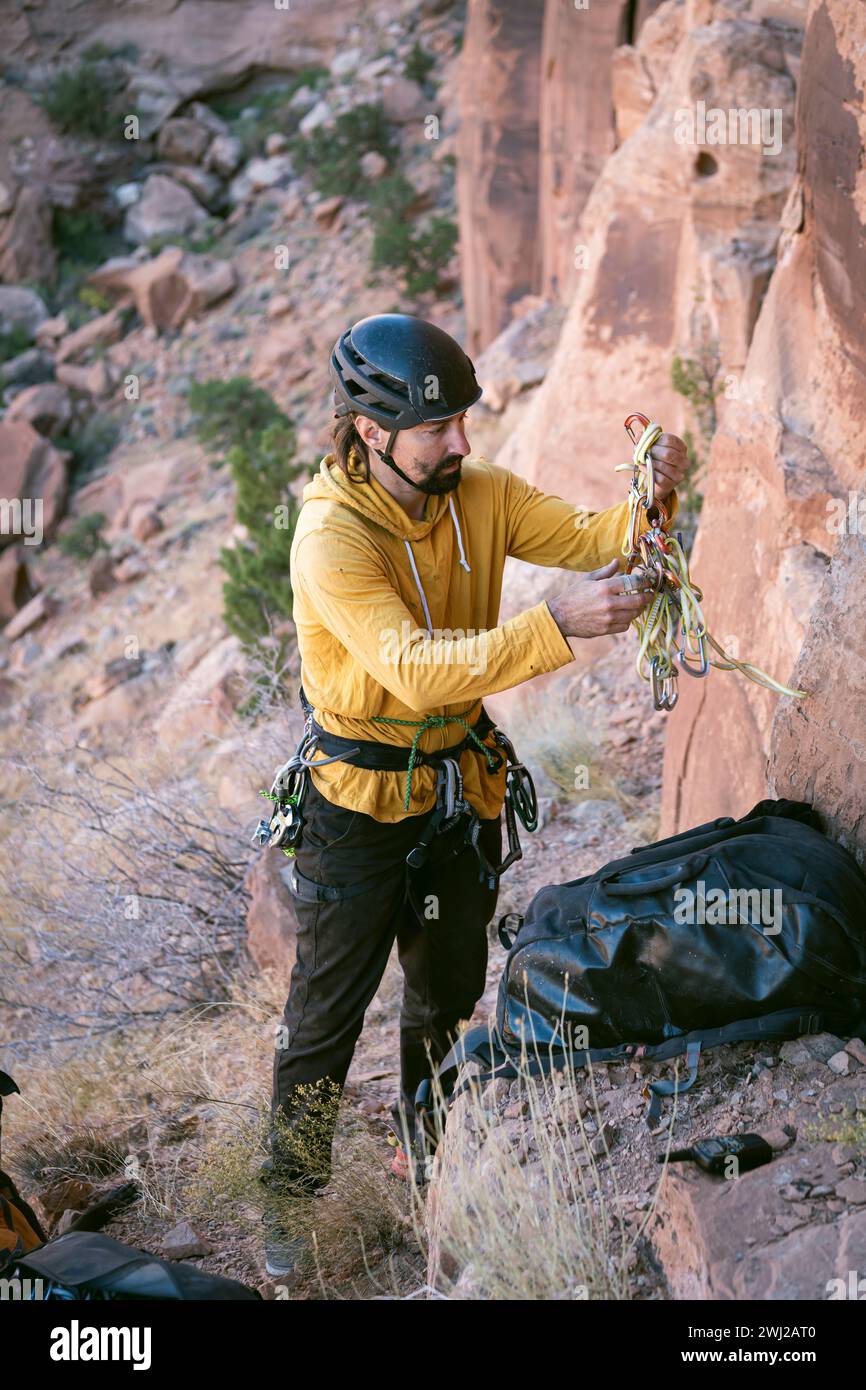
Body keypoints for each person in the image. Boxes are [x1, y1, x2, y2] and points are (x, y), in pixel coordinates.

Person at [261, 313, 688, 1275]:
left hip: (458, 791)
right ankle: (287, 1206)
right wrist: (554, 627)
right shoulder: (331, 536)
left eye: (463, 419)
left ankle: (433, 1164)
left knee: (448, 995)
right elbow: (412, 670)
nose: (461, 441)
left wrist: (650, 499)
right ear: (373, 433)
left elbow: (593, 540)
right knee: (324, 1020)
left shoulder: (479, 494)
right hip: (356, 808)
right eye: (437, 427)